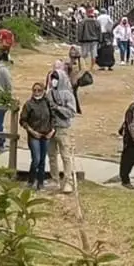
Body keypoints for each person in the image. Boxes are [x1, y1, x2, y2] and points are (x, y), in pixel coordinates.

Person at [47, 64, 78, 193]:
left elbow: (72, 112)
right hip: (50, 128)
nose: (53, 80)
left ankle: (68, 181)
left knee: (66, 156)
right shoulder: (50, 93)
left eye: (55, 78)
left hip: (63, 128)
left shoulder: (68, 95)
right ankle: (54, 179)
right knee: (51, 155)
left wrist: (58, 108)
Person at [18, 83, 55, 191]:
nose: (36, 92)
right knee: (36, 159)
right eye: (34, 90)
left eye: (39, 90)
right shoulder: (28, 104)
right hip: (34, 135)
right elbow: (23, 120)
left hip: (46, 134)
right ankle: (31, 180)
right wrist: (31, 131)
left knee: (43, 159)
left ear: (43, 91)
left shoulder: (47, 103)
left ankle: (40, 183)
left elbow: (53, 117)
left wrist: (52, 130)